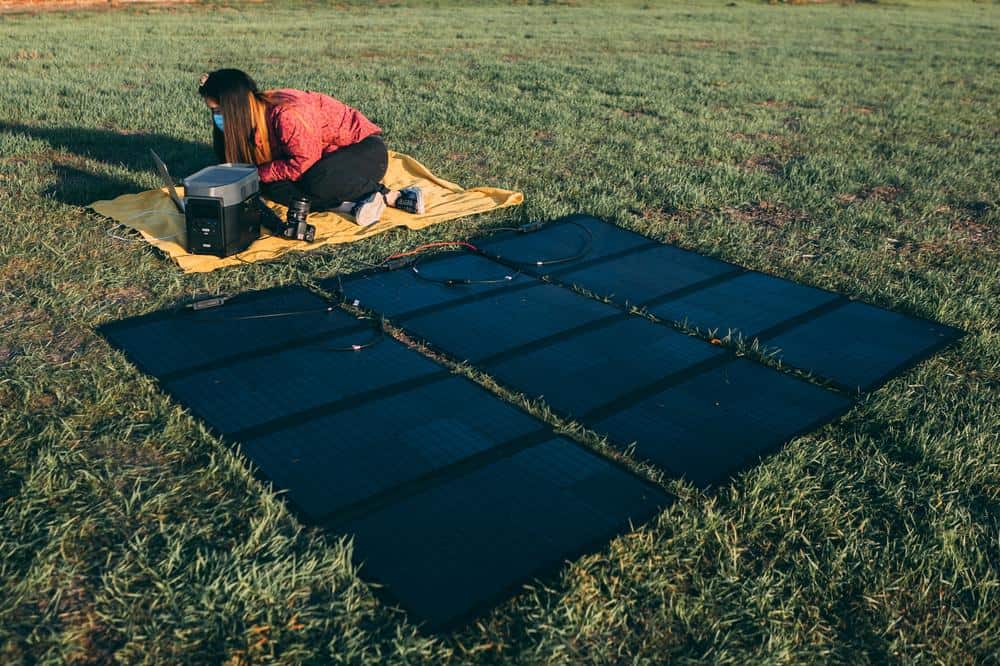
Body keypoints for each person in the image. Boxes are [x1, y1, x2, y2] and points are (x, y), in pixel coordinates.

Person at [197, 68, 423, 227]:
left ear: (236, 107)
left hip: (362, 150)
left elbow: (302, 163)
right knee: (272, 187)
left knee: (315, 179)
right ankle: (352, 206)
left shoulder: (286, 114)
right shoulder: (249, 118)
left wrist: (257, 173)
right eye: (212, 111)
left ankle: (393, 196)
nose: (216, 118)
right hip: (321, 161)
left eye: (219, 111)